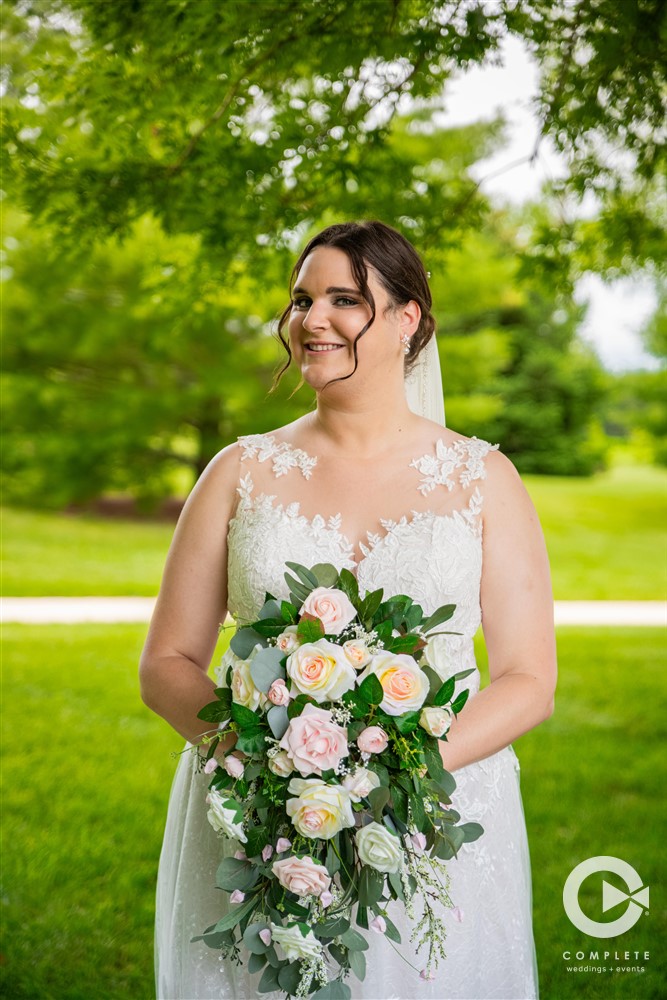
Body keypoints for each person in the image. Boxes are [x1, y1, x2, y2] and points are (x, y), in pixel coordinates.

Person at [140, 220, 557, 1000]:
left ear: (408, 321)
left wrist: (393, 776)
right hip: (258, 813)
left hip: (439, 808)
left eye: (344, 299)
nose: (311, 320)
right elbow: (165, 664)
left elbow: (530, 678)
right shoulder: (238, 471)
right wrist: (271, 763)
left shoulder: (480, 478)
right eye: (301, 299)